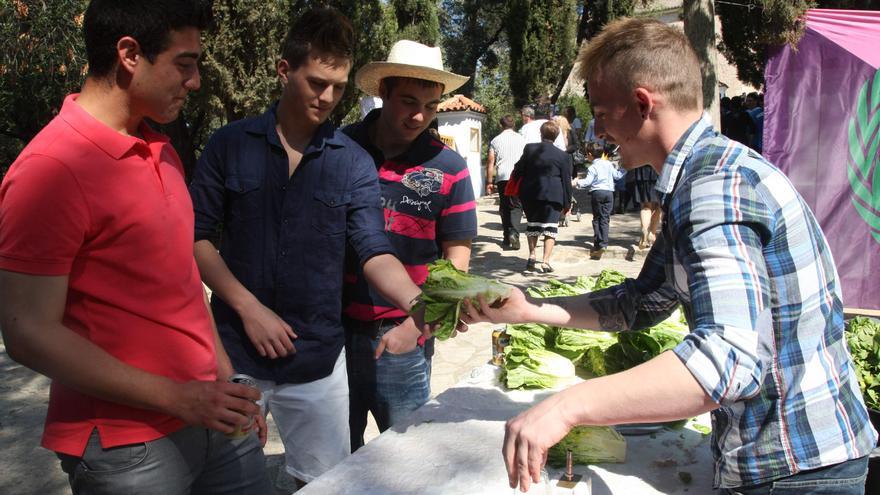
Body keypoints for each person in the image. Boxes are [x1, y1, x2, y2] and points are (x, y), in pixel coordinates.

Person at [462, 17, 877, 494]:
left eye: (600, 111)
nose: (595, 129)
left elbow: (727, 360)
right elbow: (640, 303)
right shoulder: (700, 176)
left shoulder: (713, 187)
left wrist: (567, 405)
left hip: (795, 470)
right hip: (791, 457)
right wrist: (528, 309)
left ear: (642, 103)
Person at [0, 2, 274, 493]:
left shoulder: (161, 147)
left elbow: (184, 284)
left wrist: (230, 383)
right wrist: (178, 397)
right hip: (127, 447)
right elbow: (27, 331)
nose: (194, 82)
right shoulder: (50, 169)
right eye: (184, 64)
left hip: (210, 414)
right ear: (129, 54)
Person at [188, 8, 428, 487]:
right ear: (284, 69)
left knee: (323, 483)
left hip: (317, 360)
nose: (328, 98)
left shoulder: (352, 161)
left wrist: (420, 303)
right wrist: (248, 307)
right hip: (233, 357)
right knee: (227, 483)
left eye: (338, 87)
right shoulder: (229, 145)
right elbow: (195, 238)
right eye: (317, 82)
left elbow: (373, 249)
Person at [341, 39, 478, 451]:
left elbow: (456, 262)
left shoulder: (449, 168)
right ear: (382, 91)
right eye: (408, 101)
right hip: (331, 336)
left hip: (402, 336)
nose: (420, 115)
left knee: (410, 461)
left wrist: (415, 327)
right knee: (330, 465)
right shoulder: (340, 149)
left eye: (432, 105)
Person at [513, 120, 572, 273]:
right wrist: (567, 203)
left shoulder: (530, 149)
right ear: (557, 136)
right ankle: (545, 261)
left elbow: (519, 168)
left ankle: (532, 255)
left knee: (532, 224)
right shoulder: (563, 156)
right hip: (554, 195)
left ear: (541, 133)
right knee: (550, 228)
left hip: (531, 193)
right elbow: (566, 181)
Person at [575, 146, 625, 260]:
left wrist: (577, 182)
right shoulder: (608, 164)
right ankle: (604, 243)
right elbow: (617, 176)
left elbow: (587, 182)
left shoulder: (593, 167)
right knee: (605, 218)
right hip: (609, 193)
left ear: (590, 155)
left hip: (597, 192)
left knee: (597, 218)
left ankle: (598, 244)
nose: (587, 157)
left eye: (587, 154)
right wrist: (625, 168)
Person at [487, 114, 526, 250]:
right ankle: (514, 233)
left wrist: (489, 182)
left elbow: (491, 162)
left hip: (502, 176)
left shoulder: (495, 140)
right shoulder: (522, 139)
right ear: (513, 124)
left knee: (504, 207)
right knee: (516, 206)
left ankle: (506, 237)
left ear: (500, 125)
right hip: (518, 176)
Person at [631, 164, 661, 249]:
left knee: (645, 205)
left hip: (642, 172)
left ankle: (644, 229)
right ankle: (652, 233)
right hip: (660, 170)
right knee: (658, 205)